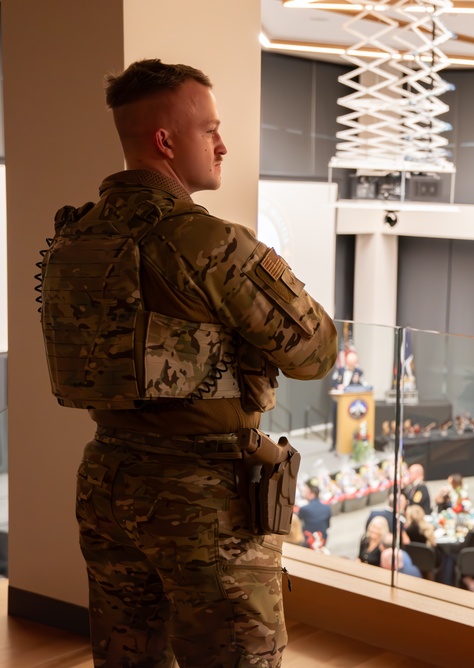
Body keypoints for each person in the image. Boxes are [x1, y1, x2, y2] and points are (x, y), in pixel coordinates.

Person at [46, 59, 341, 667]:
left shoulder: (76, 236)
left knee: (128, 657)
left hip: (108, 478)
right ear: (165, 141)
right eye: (209, 129)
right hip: (205, 497)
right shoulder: (209, 244)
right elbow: (317, 351)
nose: (223, 143)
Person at [297, 479, 332, 547]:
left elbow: (296, 524)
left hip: (308, 541)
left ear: (311, 493)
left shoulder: (304, 509)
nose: (304, 493)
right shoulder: (327, 508)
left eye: (305, 491)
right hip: (323, 539)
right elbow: (328, 526)